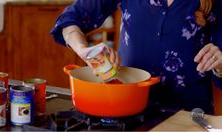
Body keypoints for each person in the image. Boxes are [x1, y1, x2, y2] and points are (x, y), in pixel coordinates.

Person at [51, 0, 222, 114]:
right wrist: (83, 49)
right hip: (128, 108)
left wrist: (219, 64)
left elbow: (220, 68)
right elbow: (71, 18)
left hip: (189, 114)